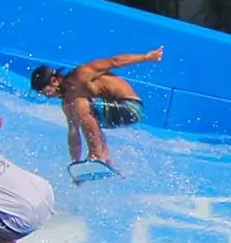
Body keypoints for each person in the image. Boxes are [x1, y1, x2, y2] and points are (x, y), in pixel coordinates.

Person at [30, 48, 163, 173]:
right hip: (112, 110)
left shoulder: (82, 74)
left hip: (132, 107)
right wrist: (76, 167)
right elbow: (74, 134)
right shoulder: (66, 103)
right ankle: (105, 158)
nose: (45, 95)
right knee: (85, 118)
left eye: (44, 91)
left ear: (54, 81)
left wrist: (147, 57)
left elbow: (114, 61)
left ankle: (96, 155)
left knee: (81, 105)